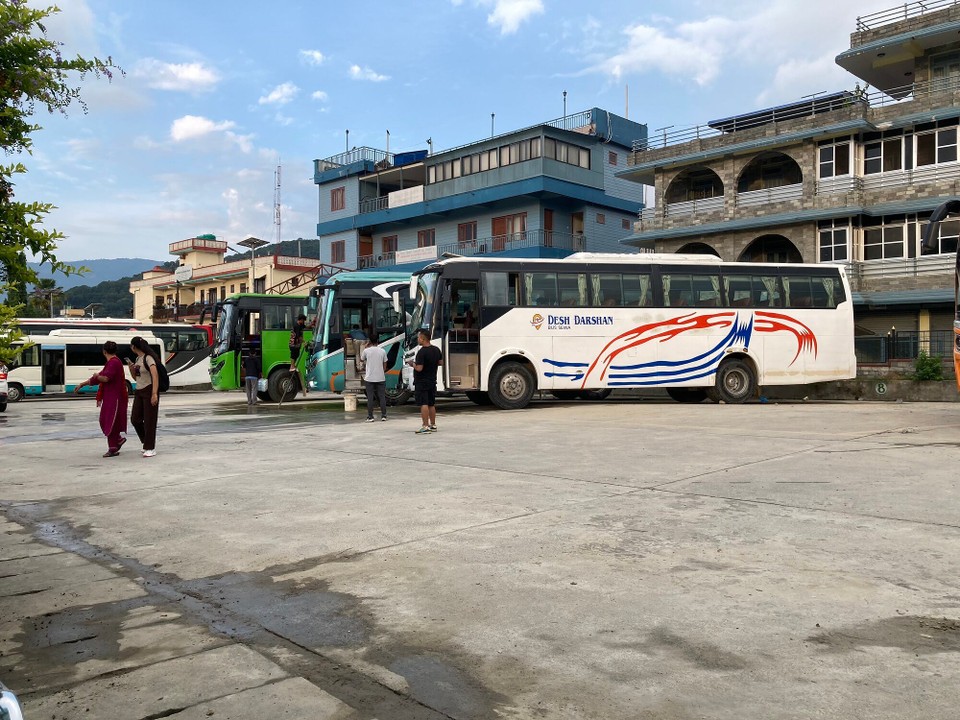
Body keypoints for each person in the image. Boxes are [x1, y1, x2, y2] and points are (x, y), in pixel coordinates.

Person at [73, 340, 128, 457]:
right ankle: (118, 440)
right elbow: (99, 377)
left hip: (115, 398)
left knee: (110, 421)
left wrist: (97, 376)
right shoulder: (112, 362)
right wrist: (83, 384)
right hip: (110, 397)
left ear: (104, 351)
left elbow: (105, 378)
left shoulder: (113, 362)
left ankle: (113, 447)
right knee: (106, 420)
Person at [129, 336, 160, 458]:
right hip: (139, 390)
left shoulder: (148, 358)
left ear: (134, 347)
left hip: (149, 390)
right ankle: (146, 441)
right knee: (135, 419)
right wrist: (131, 368)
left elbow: (155, 375)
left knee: (149, 421)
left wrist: (154, 393)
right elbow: (136, 377)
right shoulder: (138, 359)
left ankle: (150, 447)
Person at [412, 328, 442, 434]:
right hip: (432, 380)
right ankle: (433, 424)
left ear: (423, 339)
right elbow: (441, 362)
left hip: (422, 381)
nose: (418, 339)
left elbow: (419, 368)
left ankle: (425, 426)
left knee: (423, 403)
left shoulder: (422, 352)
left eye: (418, 338)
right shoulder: (436, 350)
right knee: (431, 404)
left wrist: (412, 364)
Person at [361, 337, 389, 422]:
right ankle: (384, 416)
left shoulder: (366, 351)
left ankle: (370, 417)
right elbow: (385, 364)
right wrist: (382, 371)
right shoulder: (382, 351)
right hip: (380, 377)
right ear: (377, 341)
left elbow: (362, 359)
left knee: (370, 398)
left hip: (369, 378)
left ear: (370, 342)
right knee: (382, 397)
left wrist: (366, 346)